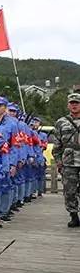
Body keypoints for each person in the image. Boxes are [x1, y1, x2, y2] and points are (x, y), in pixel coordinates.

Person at [50, 91, 80, 227]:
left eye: (77, 103)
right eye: (72, 103)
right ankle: (74, 215)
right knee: (69, 190)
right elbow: (57, 144)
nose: (74, 106)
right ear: (68, 105)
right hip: (69, 162)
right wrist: (58, 161)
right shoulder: (61, 122)